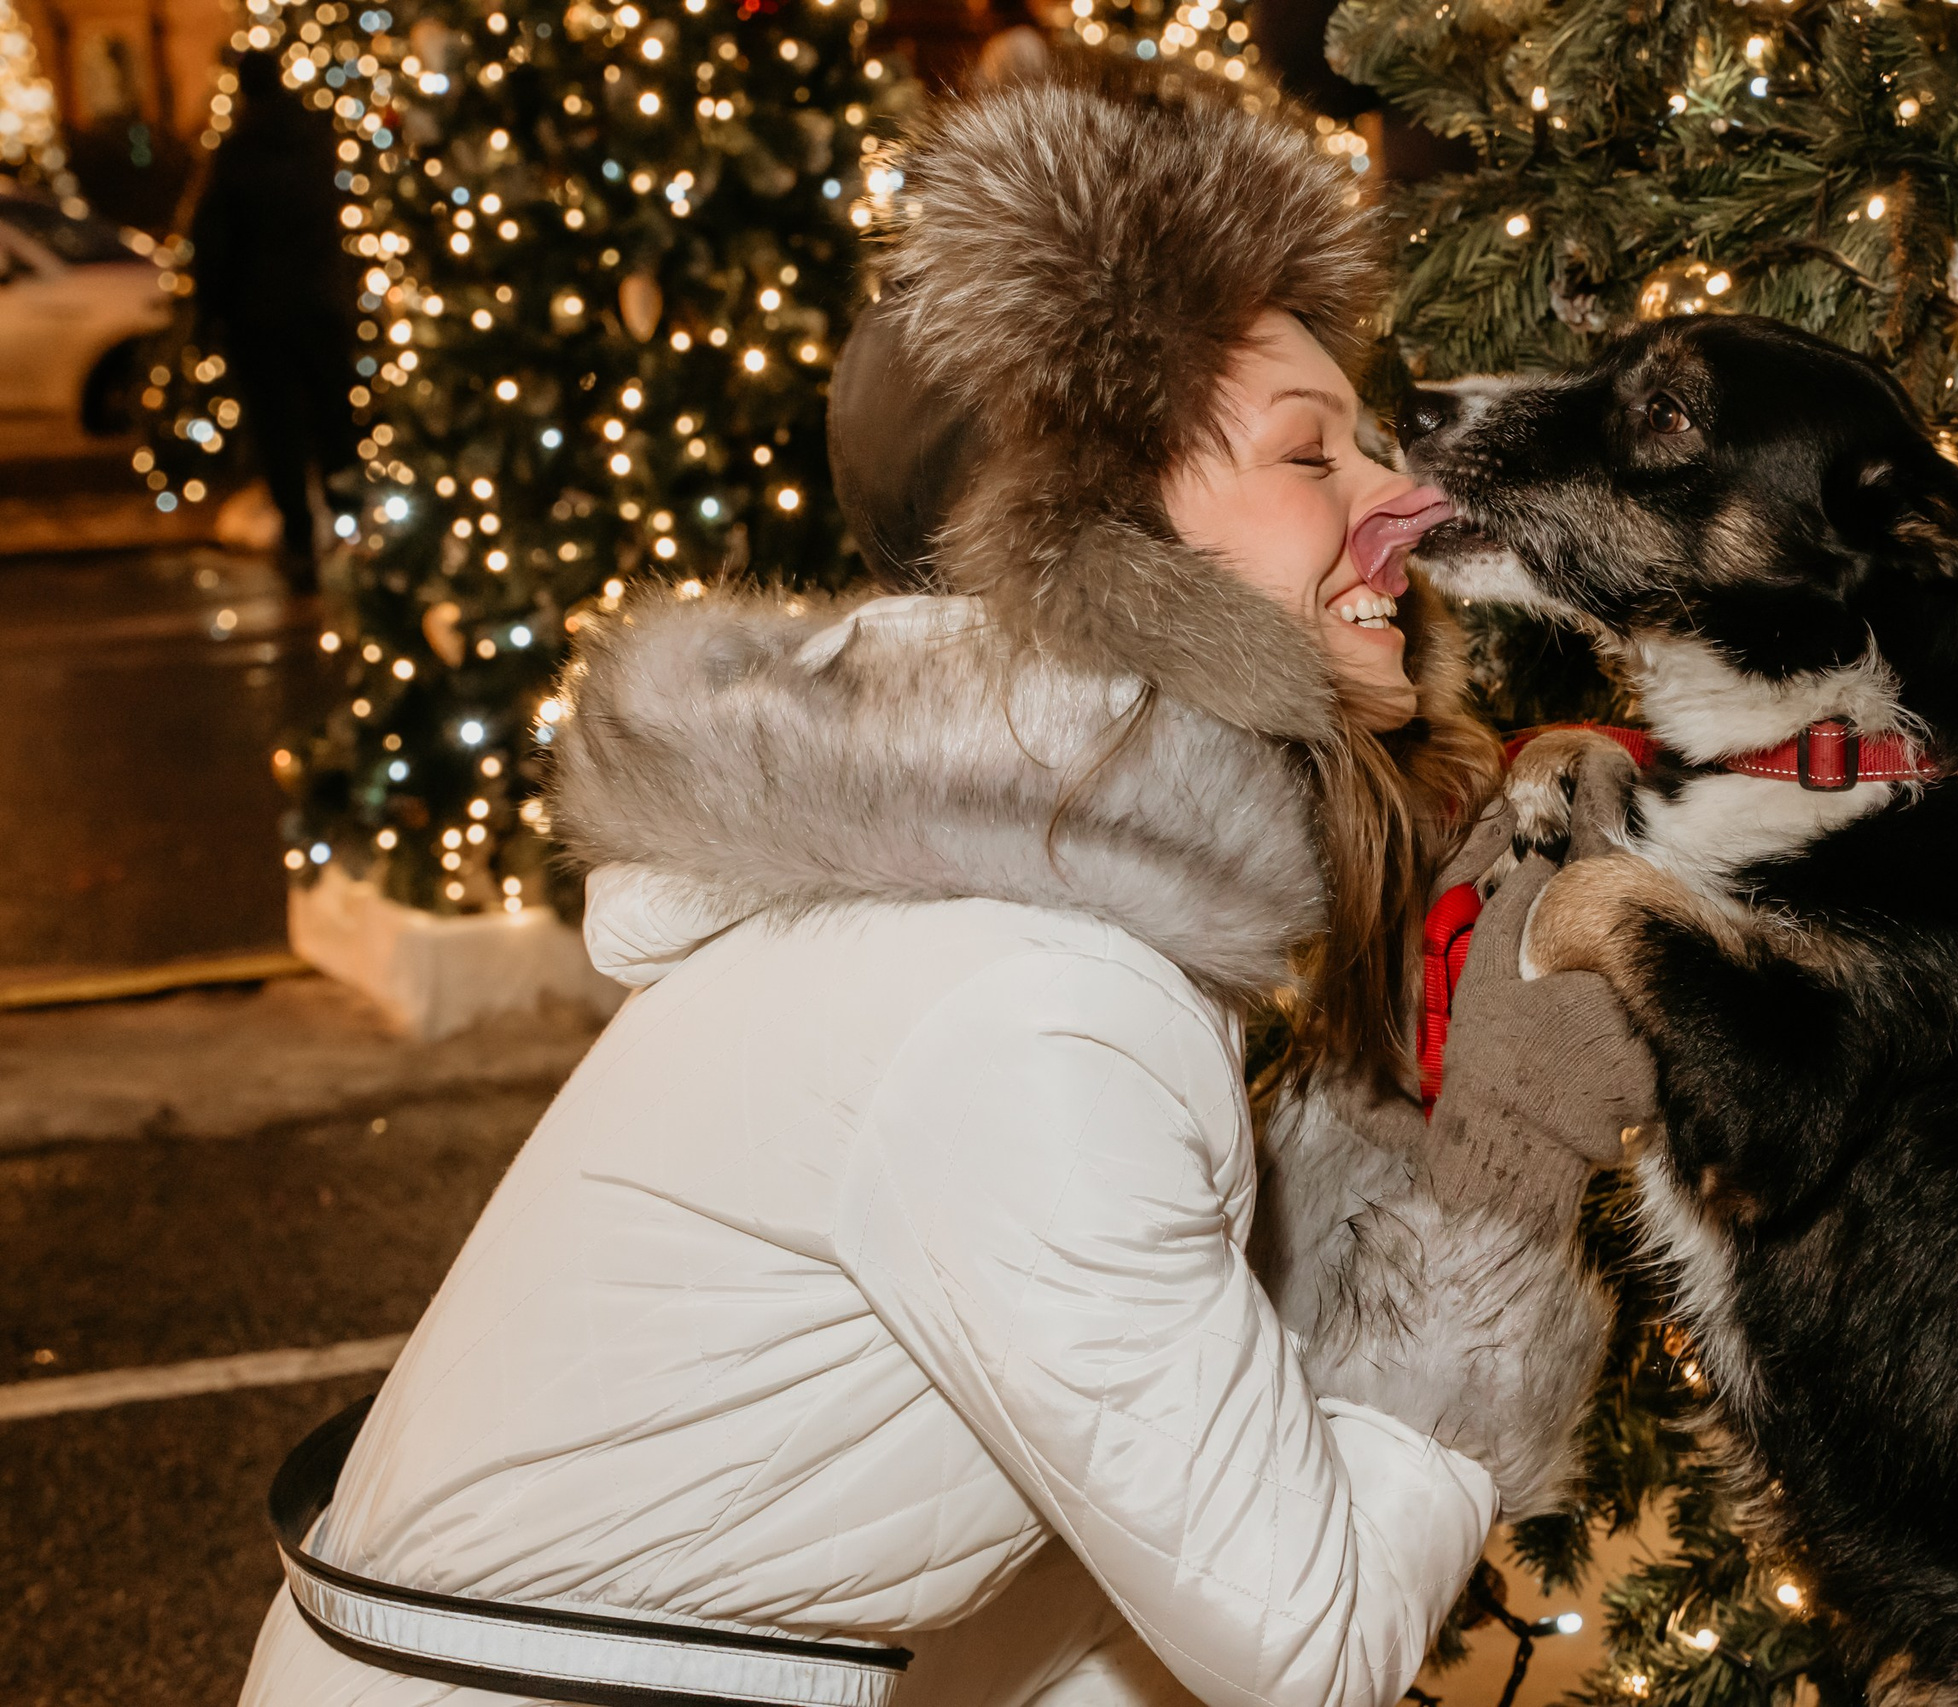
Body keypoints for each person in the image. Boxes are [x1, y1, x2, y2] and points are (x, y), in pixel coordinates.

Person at [239, 81, 1654, 1707]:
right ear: (1097, 545)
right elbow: (1308, 1647)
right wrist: (1505, 1162)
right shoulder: (1028, 998)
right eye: (1308, 452)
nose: (1402, 496)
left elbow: (1137, 1573)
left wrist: (1385, 1123)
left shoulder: (1001, 930)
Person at [188, 49, 357, 594]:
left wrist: (209, 313)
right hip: (320, 306)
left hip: (261, 317)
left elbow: (212, 242)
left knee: (280, 432)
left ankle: (302, 540)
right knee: (334, 423)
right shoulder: (315, 144)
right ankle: (351, 530)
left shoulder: (237, 154)